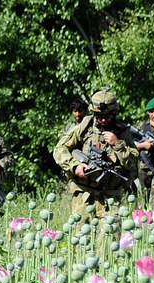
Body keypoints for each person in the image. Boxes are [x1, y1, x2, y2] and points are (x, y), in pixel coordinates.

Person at [53, 89, 138, 219]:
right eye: (100, 117)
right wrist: (75, 166)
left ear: (114, 113)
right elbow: (59, 149)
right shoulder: (84, 128)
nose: (103, 120)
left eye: (107, 116)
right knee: (80, 237)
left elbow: (132, 161)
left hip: (110, 196)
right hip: (83, 193)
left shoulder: (123, 132)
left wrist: (117, 144)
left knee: (110, 237)